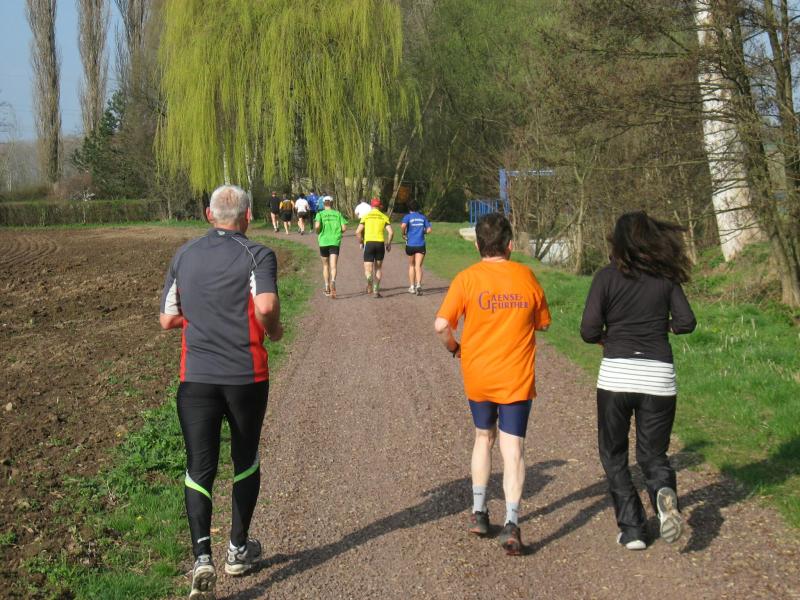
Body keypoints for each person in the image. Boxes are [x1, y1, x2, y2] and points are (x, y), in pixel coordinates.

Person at [159, 185, 283, 599]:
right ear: (247, 217)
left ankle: (201, 558)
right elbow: (265, 306)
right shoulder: (258, 254)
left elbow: (167, 319)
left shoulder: (184, 255)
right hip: (246, 377)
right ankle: (237, 549)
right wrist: (275, 331)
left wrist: (202, 317)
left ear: (209, 216)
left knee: (199, 466)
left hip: (195, 378)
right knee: (245, 458)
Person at [434, 213, 550, 556]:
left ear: (477, 246)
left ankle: (479, 512)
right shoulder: (526, 276)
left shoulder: (467, 279)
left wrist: (455, 348)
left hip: (479, 375)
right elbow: (543, 323)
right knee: (513, 448)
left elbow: (441, 324)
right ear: (510, 245)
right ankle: (512, 522)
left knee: (483, 437)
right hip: (516, 377)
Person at [580, 211, 695, 551]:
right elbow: (686, 322)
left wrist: (608, 337)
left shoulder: (606, 277)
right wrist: (663, 327)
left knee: (614, 454)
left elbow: (588, 330)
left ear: (618, 242)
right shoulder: (666, 278)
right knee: (653, 454)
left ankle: (632, 529)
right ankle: (663, 494)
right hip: (658, 378)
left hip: (617, 375)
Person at [356, 198, 393, 298]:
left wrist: (361, 242)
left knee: (368, 268)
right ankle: (376, 290)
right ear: (379, 206)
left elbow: (358, 231)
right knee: (378, 268)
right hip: (380, 243)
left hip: (369, 243)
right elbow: (391, 232)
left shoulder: (366, 216)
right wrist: (388, 244)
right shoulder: (384, 216)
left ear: (371, 206)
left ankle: (369, 279)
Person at [314, 196, 348, 298]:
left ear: (323, 204)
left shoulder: (320, 214)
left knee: (325, 265)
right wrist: (338, 233)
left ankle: (327, 287)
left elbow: (317, 226)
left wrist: (318, 232)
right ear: (332, 203)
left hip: (323, 241)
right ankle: (333, 281)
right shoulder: (338, 214)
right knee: (333, 265)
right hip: (334, 241)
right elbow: (344, 228)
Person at [400, 201, 432, 295]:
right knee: (418, 266)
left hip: (410, 244)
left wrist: (403, 234)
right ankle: (418, 285)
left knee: (411, 265)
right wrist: (423, 232)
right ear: (418, 208)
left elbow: (403, 226)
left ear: (409, 208)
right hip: (421, 244)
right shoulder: (423, 217)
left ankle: (412, 287)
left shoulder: (407, 217)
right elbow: (429, 230)